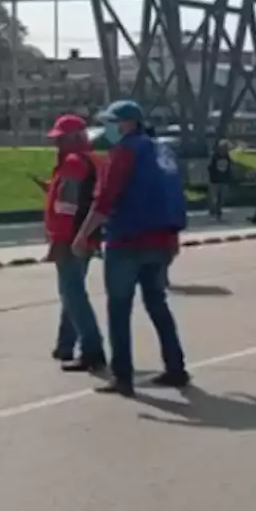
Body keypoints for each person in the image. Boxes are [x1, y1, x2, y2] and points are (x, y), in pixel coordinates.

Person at [71, 100, 188, 397]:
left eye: (112, 121)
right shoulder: (163, 151)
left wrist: (84, 234)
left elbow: (105, 199)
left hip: (127, 240)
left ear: (128, 123)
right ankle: (176, 367)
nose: (108, 127)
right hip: (161, 240)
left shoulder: (123, 152)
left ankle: (123, 377)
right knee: (157, 303)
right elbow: (173, 194)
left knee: (119, 308)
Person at [41, 114, 106, 373]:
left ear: (76, 138)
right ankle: (65, 344)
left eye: (61, 139)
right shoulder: (93, 161)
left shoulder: (71, 163)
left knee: (72, 293)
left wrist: (59, 241)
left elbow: (68, 207)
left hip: (70, 238)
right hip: (86, 236)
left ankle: (92, 350)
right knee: (72, 291)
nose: (57, 145)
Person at [206, 139, 232, 220]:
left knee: (222, 197)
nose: (226, 150)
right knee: (214, 197)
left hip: (224, 180)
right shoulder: (215, 156)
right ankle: (213, 210)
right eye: (225, 148)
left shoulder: (227, 157)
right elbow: (210, 167)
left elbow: (228, 168)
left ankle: (219, 211)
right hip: (215, 180)